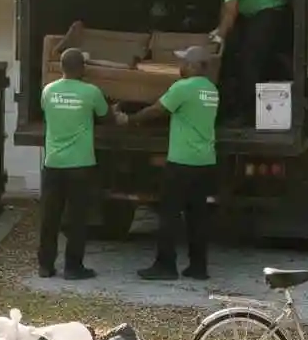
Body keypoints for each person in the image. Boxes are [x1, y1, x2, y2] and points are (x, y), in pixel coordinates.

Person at [117, 45, 219, 281]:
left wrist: (130, 119)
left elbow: (157, 110)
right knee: (197, 216)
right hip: (205, 161)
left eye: (183, 62)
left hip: (182, 161)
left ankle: (166, 266)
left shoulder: (183, 87)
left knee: (169, 213)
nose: (180, 66)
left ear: (193, 65)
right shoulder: (212, 89)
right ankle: (198, 267)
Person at [39, 47, 119, 281]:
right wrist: (114, 111)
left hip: (53, 163)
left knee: (50, 217)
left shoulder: (48, 91)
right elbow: (107, 118)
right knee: (77, 219)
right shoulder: (91, 92)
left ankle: (45, 266)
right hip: (81, 165)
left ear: (61, 67)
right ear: (82, 68)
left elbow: (47, 112)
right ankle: (73, 268)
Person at [191, 0, 287, 124]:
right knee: (239, 55)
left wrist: (221, 36)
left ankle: (247, 114)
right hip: (254, 13)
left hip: (270, 10)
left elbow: (231, 11)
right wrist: (219, 30)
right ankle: (236, 105)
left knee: (250, 59)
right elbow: (225, 7)